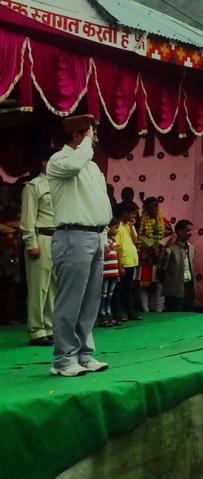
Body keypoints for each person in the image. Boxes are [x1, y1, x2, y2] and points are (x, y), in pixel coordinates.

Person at [47, 114, 111, 377]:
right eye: (91, 133)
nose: (94, 139)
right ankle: (62, 359)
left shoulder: (92, 167)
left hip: (94, 236)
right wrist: (84, 143)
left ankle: (84, 354)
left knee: (90, 300)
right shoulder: (59, 160)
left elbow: (100, 202)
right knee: (70, 300)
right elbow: (74, 164)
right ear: (77, 135)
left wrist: (103, 234)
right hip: (72, 235)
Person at [20, 155, 55, 346]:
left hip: (58, 237)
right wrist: (30, 242)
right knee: (38, 286)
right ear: (43, 161)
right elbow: (27, 217)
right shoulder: (34, 185)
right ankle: (36, 330)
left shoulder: (61, 183)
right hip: (41, 236)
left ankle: (49, 327)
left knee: (54, 287)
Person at [137, 197, 169, 312]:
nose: (154, 208)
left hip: (159, 256)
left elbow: (169, 235)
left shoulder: (164, 221)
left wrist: (159, 245)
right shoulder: (140, 222)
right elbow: (138, 236)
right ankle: (145, 309)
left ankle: (158, 309)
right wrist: (151, 246)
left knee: (159, 283)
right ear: (146, 208)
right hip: (145, 256)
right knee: (143, 284)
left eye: (156, 206)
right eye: (151, 206)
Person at [158, 219, 197, 312]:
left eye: (192, 230)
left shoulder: (192, 248)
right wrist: (169, 284)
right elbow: (161, 270)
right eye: (188, 230)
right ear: (179, 232)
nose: (191, 233)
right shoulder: (169, 250)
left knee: (188, 316)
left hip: (189, 287)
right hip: (174, 290)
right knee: (174, 316)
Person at [114, 203, 140, 320]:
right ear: (124, 214)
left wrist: (132, 226)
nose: (134, 216)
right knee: (119, 288)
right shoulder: (117, 227)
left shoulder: (128, 226)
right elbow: (117, 246)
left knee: (129, 287)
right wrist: (120, 265)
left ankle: (130, 311)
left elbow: (136, 240)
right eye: (132, 213)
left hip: (131, 261)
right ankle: (117, 312)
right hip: (123, 262)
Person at [98, 218, 122, 328]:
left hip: (113, 273)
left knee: (110, 295)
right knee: (103, 294)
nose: (117, 230)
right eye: (116, 227)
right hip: (105, 273)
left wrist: (118, 272)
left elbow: (117, 258)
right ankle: (102, 315)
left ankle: (109, 314)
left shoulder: (114, 241)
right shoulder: (104, 243)